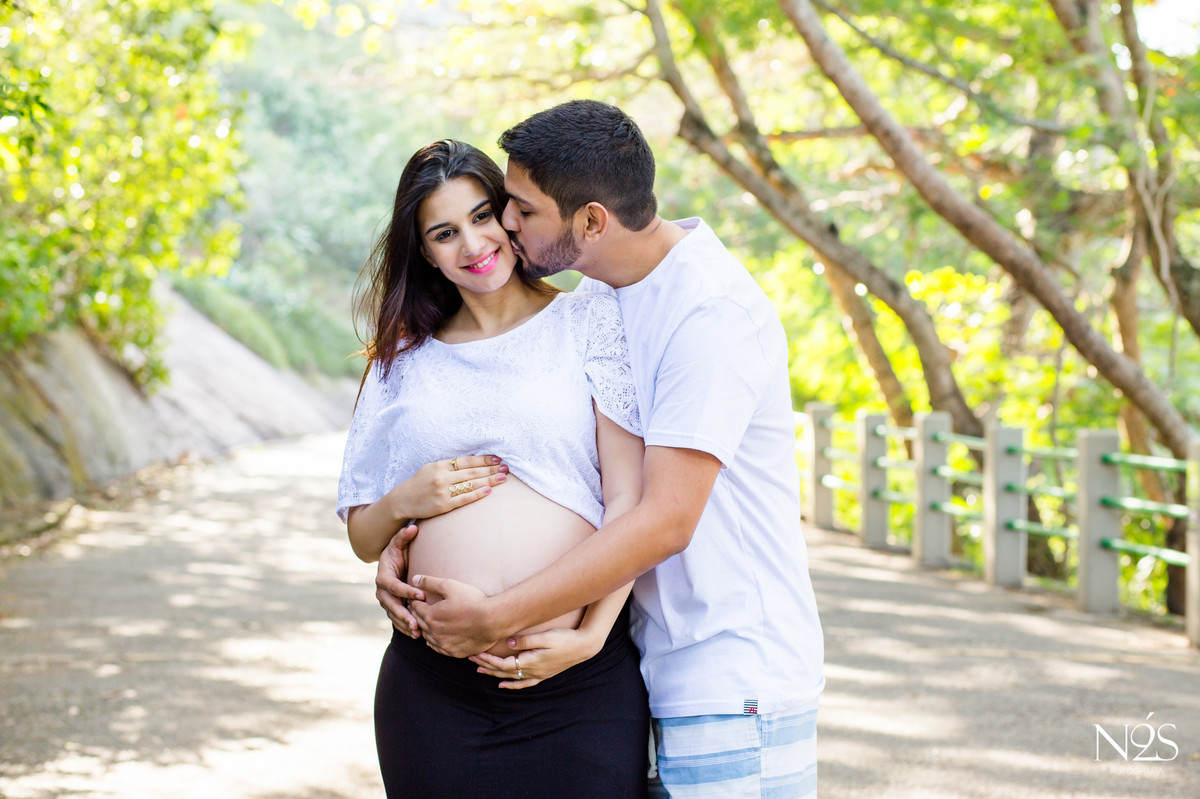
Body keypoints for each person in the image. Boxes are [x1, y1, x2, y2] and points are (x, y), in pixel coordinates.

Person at [380, 101, 825, 798]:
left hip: (735, 675)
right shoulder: (611, 295)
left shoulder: (707, 314)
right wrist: (402, 532)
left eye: (519, 210)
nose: (505, 227)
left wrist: (503, 615)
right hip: (664, 667)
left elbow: (663, 517)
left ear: (590, 220)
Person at [337, 139, 649, 798]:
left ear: (511, 216)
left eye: (483, 216)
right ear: (424, 251)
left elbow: (631, 501)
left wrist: (591, 635)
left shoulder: (588, 317)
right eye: (445, 232)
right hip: (435, 691)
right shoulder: (404, 359)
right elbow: (365, 535)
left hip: (575, 679)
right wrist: (405, 499)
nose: (473, 243)